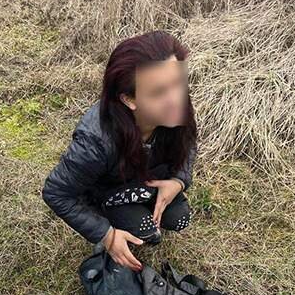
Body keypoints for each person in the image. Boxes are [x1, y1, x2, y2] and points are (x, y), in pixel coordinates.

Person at [42, 30, 198, 271]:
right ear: (129, 100)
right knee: (147, 233)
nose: (175, 99)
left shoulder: (175, 106)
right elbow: (56, 193)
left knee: (179, 218)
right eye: (158, 92)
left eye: (177, 83)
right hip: (110, 191)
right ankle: (114, 214)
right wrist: (107, 235)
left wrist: (178, 181)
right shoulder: (95, 141)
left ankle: (141, 208)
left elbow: (188, 143)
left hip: (148, 179)